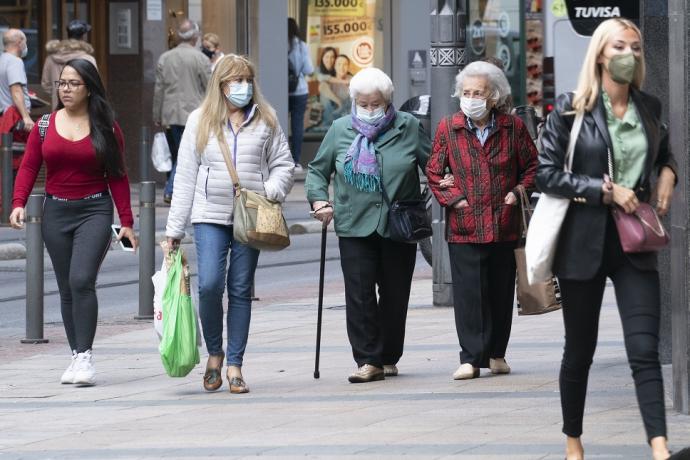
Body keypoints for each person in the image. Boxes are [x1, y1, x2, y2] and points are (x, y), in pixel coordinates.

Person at [537, 18, 676, 460]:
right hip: (583, 243)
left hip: (634, 245)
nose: (630, 54)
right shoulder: (569, 109)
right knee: (580, 350)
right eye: (620, 46)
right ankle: (573, 440)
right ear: (600, 53)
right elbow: (545, 174)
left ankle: (659, 445)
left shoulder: (648, 107)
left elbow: (666, 152)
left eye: (635, 48)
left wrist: (670, 173)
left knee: (643, 349)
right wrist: (602, 189)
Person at [165, 54, 294, 394]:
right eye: (235, 81)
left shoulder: (267, 118)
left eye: (247, 80)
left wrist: (268, 191)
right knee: (208, 285)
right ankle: (214, 353)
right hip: (209, 214)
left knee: (239, 289)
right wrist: (174, 230)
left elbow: (284, 164)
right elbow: (185, 177)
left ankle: (235, 363)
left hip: (249, 218)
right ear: (220, 85)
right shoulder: (200, 120)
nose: (243, 87)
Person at [9, 58, 136, 386]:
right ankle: (76, 354)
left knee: (81, 279)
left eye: (73, 83)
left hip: (94, 210)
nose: (65, 89)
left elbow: (118, 176)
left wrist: (127, 221)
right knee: (66, 286)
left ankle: (86, 356)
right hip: (56, 212)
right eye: (61, 83)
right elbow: (28, 167)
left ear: (89, 88)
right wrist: (18, 203)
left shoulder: (107, 127)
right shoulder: (45, 125)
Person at [306, 67, 431, 383]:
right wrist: (319, 200)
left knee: (395, 293)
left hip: (398, 224)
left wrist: (448, 190)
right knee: (359, 294)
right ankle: (367, 360)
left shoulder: (409, 127)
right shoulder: (339, 129)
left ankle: (388, 355)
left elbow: (435, 166)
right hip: (353, 223)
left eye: (376, 103)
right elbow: (318, 171)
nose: (370, 109)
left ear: (388, 101)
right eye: (363, 103)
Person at [426, 60, 538, 381]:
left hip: (503, 222)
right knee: (469, 294)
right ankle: (471, 358)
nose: (471, 97)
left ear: (494, 97)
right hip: (464, 225)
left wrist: (518, 192)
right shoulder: (449, 128)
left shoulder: (512, 127)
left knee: (501, 292)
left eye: (478, 92)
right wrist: (454, 198)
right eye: (466, 92)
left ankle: (497, 353)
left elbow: (533, 166)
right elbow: (434, 171)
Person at [153, 19, 211, 204]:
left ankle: (174, 190)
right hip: (192, 114)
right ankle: (171, 190)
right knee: (185, 155)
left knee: (175, 153)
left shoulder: (165, 58)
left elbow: (158, 89)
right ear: (195, 36)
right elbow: (210, 87)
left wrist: (157, 114)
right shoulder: (200, 58)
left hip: (169, 114)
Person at [41, 19, 97, 110]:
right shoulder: (88, 59)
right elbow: (94, 85)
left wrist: (58, 93)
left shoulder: (51, 58)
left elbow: (46, 84)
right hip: (82, 109)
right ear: (83, 36)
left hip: (58, 107)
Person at [287, 17, 314, 172]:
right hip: (299, 90)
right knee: (297, 126)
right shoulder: (302, 46)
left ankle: (280, 160)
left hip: (281, 90)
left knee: (279, 125)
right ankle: (296, 161)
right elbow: (308, 70)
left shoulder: (278, 44)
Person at [0, 29, 34, 133]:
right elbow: (16, 90)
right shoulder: (15, 61)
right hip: (15, 118)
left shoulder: (2, 59)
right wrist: (26, 117)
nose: (26, 45)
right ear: (20, 42)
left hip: (4, 116)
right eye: (25, 42)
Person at [319, 54, 352, 126]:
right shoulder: (329, 79)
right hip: (331, 119)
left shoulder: (352, 80)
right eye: (339, 64)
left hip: (347, 119)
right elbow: (322, 85)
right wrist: (338, 101)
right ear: (334, 66)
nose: (342, 67)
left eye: (345, 64)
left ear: (348, 66)